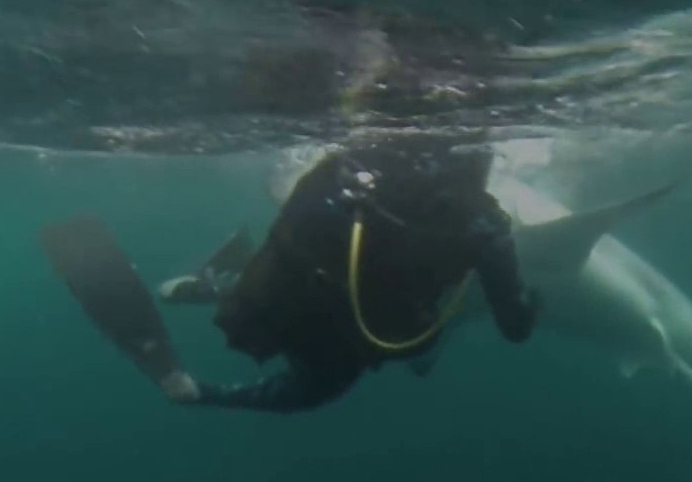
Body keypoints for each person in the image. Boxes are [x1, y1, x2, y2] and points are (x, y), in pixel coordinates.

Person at [153, 132, 540, 412]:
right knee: (307, 392)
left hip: (293, 294)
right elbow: (515, 327)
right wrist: (530, 305)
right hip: (354, 332)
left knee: (303, 284)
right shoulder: (487, 228)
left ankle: (223, 286)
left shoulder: (363, 180)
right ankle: (201, 393)